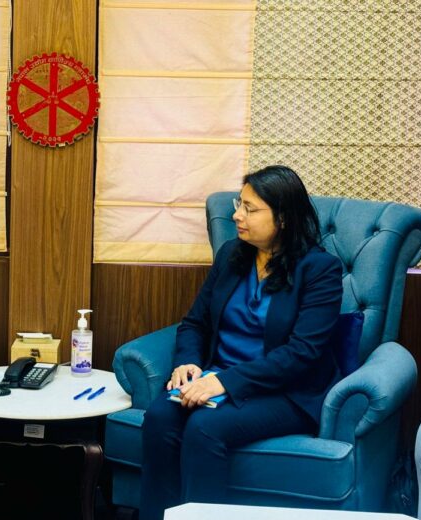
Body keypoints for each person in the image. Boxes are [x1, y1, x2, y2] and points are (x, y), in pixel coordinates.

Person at [139, 165, 343, 519]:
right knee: (160, 417)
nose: (236, 215)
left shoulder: (320, 270)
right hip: (216, 377)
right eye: (239, 204)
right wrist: (187, 362)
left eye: (250, 208)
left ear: (283, 218)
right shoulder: (232, 254)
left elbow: (302, 353)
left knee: (205, 426)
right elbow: (195, 323)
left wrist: (224, 382)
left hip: (285, 391)